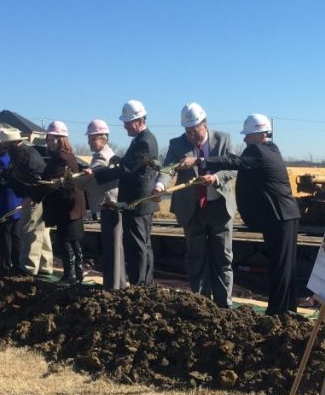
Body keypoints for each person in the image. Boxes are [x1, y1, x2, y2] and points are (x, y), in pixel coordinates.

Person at [178, 114, 301, 314]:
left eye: (248, 135)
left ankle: (278, 312)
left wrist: (199, 161)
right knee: (284, 267)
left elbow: (232, 161)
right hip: (283, 216)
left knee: (280, 267)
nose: (244, 139)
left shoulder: (258, 151)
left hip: (280, 216)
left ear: (261, 135)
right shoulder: (271, 148)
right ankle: (286, 310)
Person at [154, 102, 237, 307]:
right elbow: (167, 169)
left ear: (205, 124)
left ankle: (223, 304)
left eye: (195, 130)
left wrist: (215, 178)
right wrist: (159, 185)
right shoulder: (177, 144)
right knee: (196, 257)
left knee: (223, 258)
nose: (192, 135)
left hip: (219, 207)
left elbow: (233, 167)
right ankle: (201, 304)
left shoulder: (224, 139)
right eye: (188, 131)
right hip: (192, 210)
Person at [91, 100, 159, 286]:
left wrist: (98, 175)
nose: (124, 126)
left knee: (138, 246)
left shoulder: (144, 141)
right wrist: (120, 159)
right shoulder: (141, 140)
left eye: (127, 122)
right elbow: (133, 165)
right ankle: (145, 284)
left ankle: (140, 285)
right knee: (142, 244)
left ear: (138, 120)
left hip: (139, 200)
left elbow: (127, 170)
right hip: (138, 200)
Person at [40, 121, 87, 284]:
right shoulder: (68, 155)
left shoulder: (60, 157)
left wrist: (43, 187)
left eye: (53, 139)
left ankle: (70, 275)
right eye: (48, 139)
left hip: (66, 206)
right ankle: (78, 273)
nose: (49, 142)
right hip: (72, 206)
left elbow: (53, 182)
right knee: (73, 240)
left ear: (61, 139)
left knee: (65, 240)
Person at [83, 119, 126, 290]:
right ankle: (117, 283)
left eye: (93, 138)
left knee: (112, 248)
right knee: (115, 247)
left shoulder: (102, 156)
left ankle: (113, 286)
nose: (89, 141)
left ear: (104, 138)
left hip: (109, 205)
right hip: (110, 205)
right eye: (90, 138)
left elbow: (94, 171)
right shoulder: (103, 154)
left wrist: (85, 174)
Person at [6, 134, 54, 277]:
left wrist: (31, 197)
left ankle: (28, 266)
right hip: (40, 196)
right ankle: (45, 265)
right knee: (42, 230)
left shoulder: (26, 156)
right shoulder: (23, 153)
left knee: (30, 228)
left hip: (36, 197)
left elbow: (37, 179)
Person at [0, 127, 25, 273]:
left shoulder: (2, 161)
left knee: (5, 235)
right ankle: (17, 265)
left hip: (7, 203)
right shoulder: (15, 157)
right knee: (15, 234)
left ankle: (6, 265)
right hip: (16, 201)